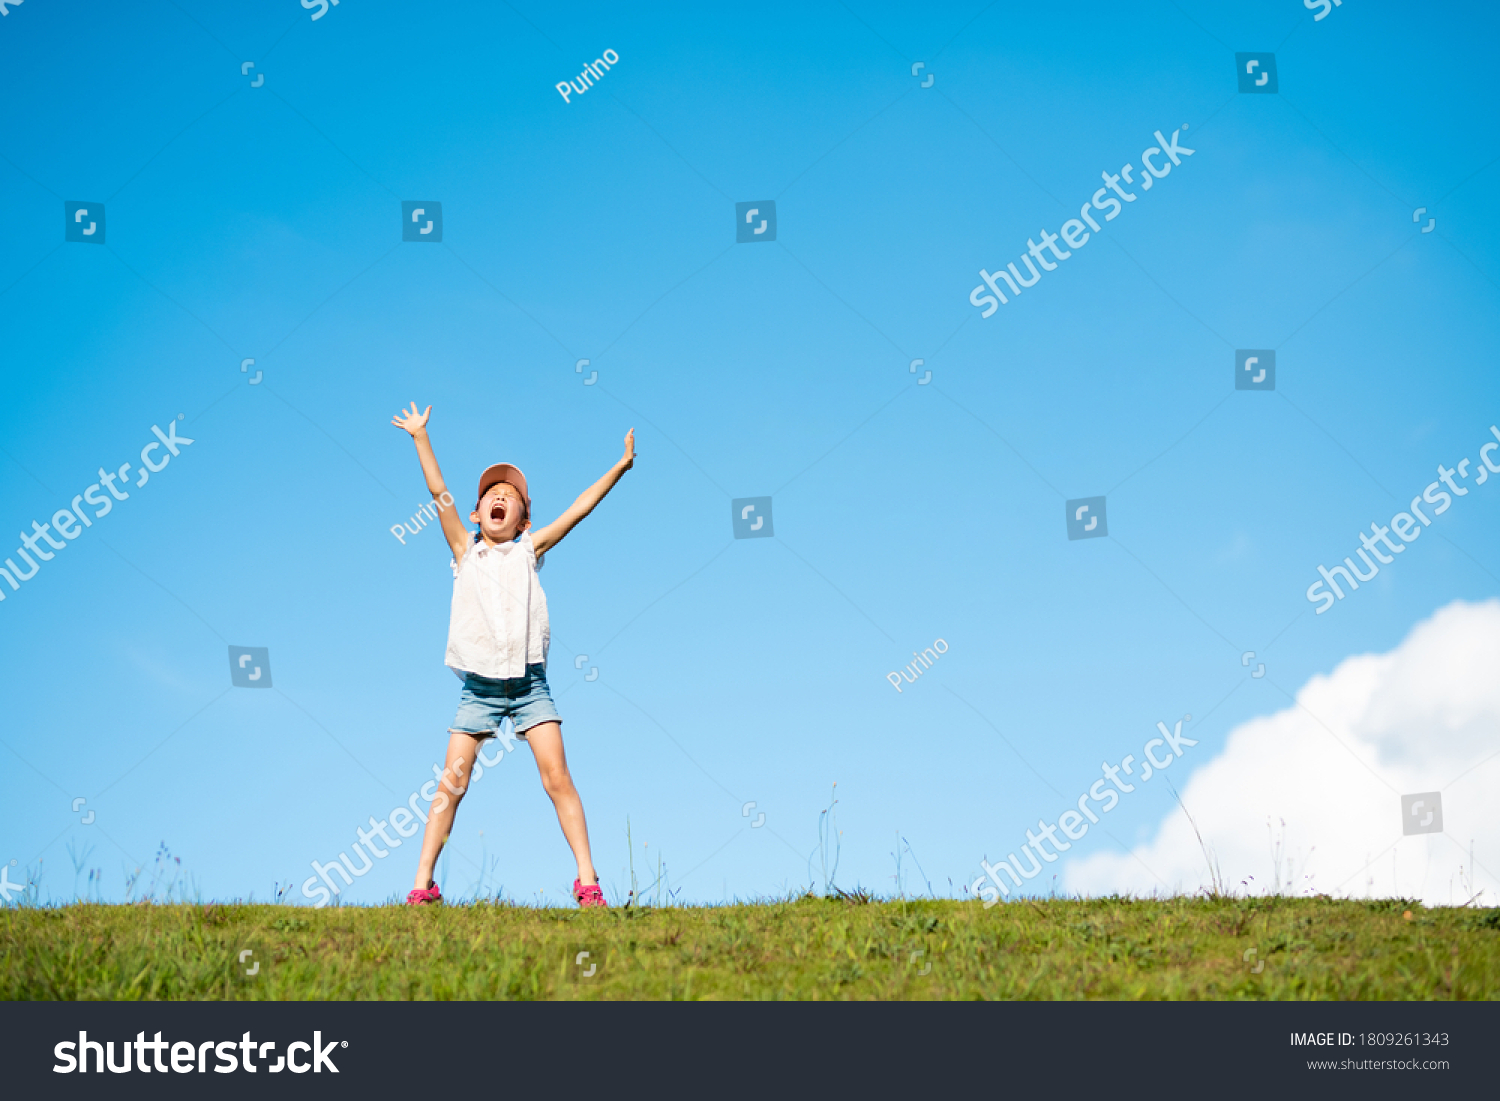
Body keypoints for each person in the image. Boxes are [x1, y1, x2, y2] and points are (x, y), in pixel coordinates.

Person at [390, 401, 634, 908]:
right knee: (450, 786)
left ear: (525, 519)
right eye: (492, 496)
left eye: (512, 497)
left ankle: (588, 882)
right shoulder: (465, 551)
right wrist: (419, 437)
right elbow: (439, 493)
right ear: (478, 515)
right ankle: (421, 886)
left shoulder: (530, 550)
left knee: (557, 778)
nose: (501, 498)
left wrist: (619, 466)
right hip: (478, 688)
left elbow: (580, 508)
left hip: (529, 686)